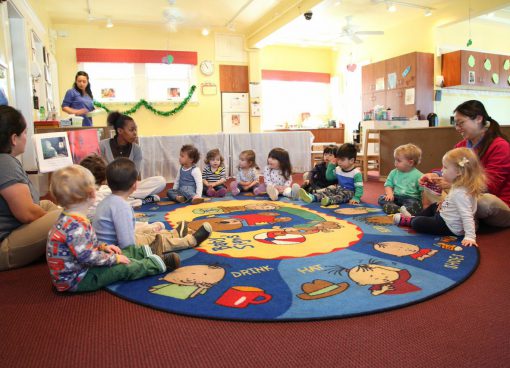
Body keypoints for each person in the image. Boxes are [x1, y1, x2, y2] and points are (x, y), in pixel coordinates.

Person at [46, 164, 180, 293]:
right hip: (78, 280)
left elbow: (85, 246)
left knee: (117, 253)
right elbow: (88, 257)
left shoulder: (69, 219)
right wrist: (113, 259)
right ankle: (156, 264)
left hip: (81, 268)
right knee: (121, 268)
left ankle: (147, 252)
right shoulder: (76, 227)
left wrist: (103, 247)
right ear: (92, 194)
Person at [420, 100, 510, 227]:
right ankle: (458, 218)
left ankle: (452, 216)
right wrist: (434, 175)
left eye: (461, 123)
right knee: (430, 186)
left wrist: (454, 183)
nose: (457, 128)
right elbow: (449, 168)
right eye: (455, 124)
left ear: (478, 118)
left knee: (484, 203)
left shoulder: (500, 146)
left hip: (496, 202)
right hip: (465, 194)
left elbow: (490, 185)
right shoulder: (461, 145)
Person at [93, 158, 212, 252]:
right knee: (156, 241)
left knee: (145, 233)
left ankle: (173, 234)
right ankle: (190, 241)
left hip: (108, 245)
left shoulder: (107, 201)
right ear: (135, 185)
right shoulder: (122, 207)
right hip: (118, 250)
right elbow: (127, 245)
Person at [0, 106, 61, 271]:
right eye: (25, 133)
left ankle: (60, 243)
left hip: (10, 229)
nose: (26, 137)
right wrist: (50, 219)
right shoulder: (5, 162)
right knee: (66, 216)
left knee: (47, 205)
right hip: (4, 245)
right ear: (14, 138)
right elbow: (26, 213)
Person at [395, 148, 485, 247]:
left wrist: (470, 236)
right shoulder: (460, 186)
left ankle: (410, 220)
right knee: (434, 206)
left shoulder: (460, 193)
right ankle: (414, 217)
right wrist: (445, 203)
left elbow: (467, 215)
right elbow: (454, 202)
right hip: (447, 216)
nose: (442, 170)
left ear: (459, 172)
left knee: (418, 223)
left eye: (445, 167)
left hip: (448, 226)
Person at [100, 111, 165, 205]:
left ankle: (126, 199)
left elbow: (135, 174)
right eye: (131, 130)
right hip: (110, 187)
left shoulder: (136, 149)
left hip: (129, 187)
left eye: (135, 130)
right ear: (120, 131)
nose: (135, 133)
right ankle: (135, 200)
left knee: (160, 181)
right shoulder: (103, 145)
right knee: (101, 191)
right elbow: (101, 174)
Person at [299, 143, 363, 206]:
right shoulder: (338, 169)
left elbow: (359, 188)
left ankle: (330, 200)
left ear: (351, 160)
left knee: (342, 195)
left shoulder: (356, 173)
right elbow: (329, 177)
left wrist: (356, 198)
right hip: (338, 188)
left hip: (350, 192)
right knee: (329, 190)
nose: (339, 162)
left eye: (342, 160)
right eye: (338, 159)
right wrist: (331, 166)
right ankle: (313, 197)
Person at [378, 144, 423, 215]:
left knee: (415, 204)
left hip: (411, 199)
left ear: (410, 162)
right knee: (381, 198)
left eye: (398, 161)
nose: (395, 162)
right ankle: (399, 209)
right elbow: (388, 185)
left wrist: (424, 204)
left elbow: (424, 191)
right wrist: (389, 194)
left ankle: (399, 209)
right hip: (396, 197)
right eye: (395, 160)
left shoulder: (419, 176)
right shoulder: (393, 172)